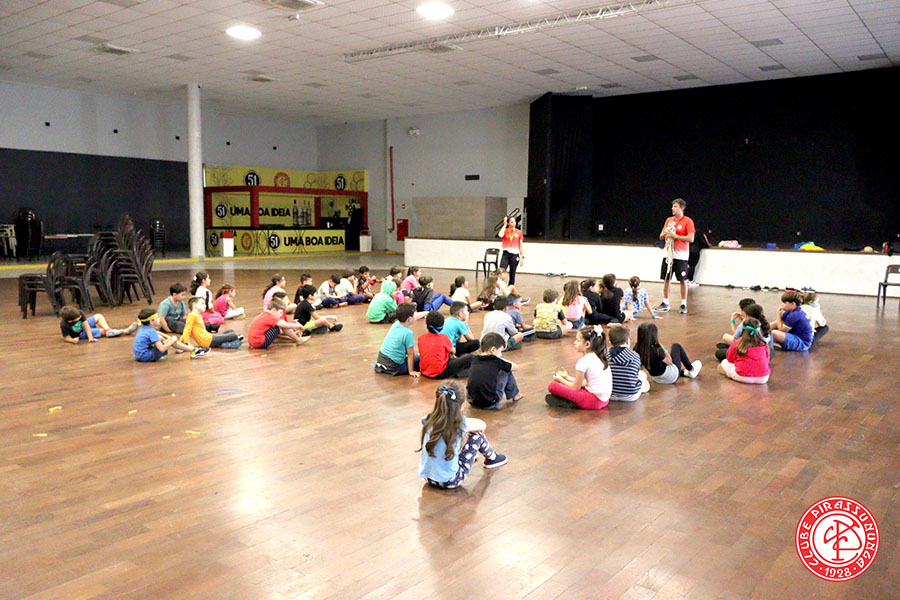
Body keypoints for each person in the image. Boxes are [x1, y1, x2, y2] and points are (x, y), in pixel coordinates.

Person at [417, 382, 507, 489]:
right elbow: (482, 425)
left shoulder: (427, 419)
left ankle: (475, 455)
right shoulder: (459, 424)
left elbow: (444, 427)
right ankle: (493, 458)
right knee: (478, 435)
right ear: (462, 405)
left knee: (449, 440)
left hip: (429, 478)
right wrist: (467, 428)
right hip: (451, 481)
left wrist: (465, 429)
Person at [545, 325, 612, 409]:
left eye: (578, 340)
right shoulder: (599, 357)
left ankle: (570, 402)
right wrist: (567, 377)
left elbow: (575, 387)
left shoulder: (583, 362)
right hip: (604, 401)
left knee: (552, 386)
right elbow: (588, 383)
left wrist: (560, 379)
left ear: (587, 344)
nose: (574, 343)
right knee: (575, 378)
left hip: (593, 401)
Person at [656, 198, 695, 314]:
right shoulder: (669, 220)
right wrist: (665, 234)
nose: (673, 208)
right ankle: (665, 302)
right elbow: (661, 236)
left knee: (683, 280)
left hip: (681, 255)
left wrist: (676, 236)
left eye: (675, 206)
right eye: (672, 206)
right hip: (669, 254)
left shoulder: (688, 221)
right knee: (666, 278)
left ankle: (683, 304)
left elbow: (691, 238)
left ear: (682, 208)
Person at [466, 332, 523, 410]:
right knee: (506, 371)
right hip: (490, 403)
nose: (501, 355)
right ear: (493, 349)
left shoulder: (474, 359)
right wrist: (501, 360)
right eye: (500, 351)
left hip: (473, 402)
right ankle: (516, 395)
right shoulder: (496, 361)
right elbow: (516, 367)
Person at [633, 322, 702, 384]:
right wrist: (662, 347)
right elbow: (670, 362)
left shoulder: (637, 348)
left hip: (657, 379)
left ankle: (684, 372)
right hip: (671, 377)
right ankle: (691, 369)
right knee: (676, 346)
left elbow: (640, 366)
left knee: (661, 366)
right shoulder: (657, 350)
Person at [133, 307, 205, 361]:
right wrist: (172, 340)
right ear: (151, 321)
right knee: (167, 341)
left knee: (163, 338)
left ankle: (191, 349)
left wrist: (169, 338)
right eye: (157, 318)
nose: (159, 319)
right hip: (146, 357)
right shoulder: (151, 332)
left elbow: (157, 333)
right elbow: (162, 349)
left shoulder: (145, 328)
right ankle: (193, 350)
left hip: (138, 355)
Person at [418, 311, 474, 379]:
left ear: (426, 326)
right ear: (442, 326)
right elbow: (453, 351)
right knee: (471, 357)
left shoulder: (421, 338)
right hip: (440, 373)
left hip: (424, 372)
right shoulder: (444, 338)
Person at [717, 317, 771, 384]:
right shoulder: (764, 344)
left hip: (742, 376)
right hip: (763, 378)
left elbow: (730, 359)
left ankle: (729, 373)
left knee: (724, 362)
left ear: (743, 329)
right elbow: (767, 360)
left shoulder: (738, 342)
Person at [374, 302, 420, 377]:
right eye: (414, 315)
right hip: (393, 367)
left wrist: (426, 313)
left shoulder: (396, 324)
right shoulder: (408, 333)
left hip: (382, 360)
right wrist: (411, 371)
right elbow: (411, 354)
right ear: (409, 319)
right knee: (419, 359)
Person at [607, 325, 650, 402]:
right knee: (642, 374)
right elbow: (636, 371)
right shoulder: (635, 355)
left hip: (610, 394)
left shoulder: (605, 356)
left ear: (610, 342)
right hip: (630, 396)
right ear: (627, 341)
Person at [59, 305, 134, 343]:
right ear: (70, 321)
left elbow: (86, 325)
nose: (80, 317)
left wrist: (90, 337)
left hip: (84, 328)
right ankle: (124, 331)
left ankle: (108, 330)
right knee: (101, 331)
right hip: (79, 333)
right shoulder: (64, 324)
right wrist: (72, 340)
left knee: (99, 316)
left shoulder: (79, 313)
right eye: (78, 318)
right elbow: (66, 337)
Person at [498, 215, 525, 285]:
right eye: (511, 222)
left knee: (512, 273)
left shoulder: (519, 232)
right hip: (506, 253)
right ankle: (500, 286)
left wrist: (522, 257)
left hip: (515, 254)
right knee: (501, 271)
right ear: (508, 223)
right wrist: (504, 225)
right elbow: (500, 235)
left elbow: (520, 246)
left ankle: (510, 287)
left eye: (514, 222)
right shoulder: (505, 231)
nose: (513, 224)